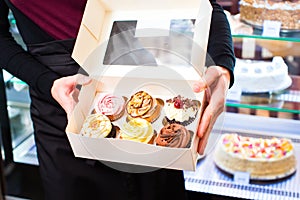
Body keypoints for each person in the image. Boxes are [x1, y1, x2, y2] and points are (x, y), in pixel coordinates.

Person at [0, 0, 235, 199]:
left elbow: (206, 7)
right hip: (59, 108)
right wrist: (45, 81)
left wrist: (223, 68)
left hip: (143, 88)